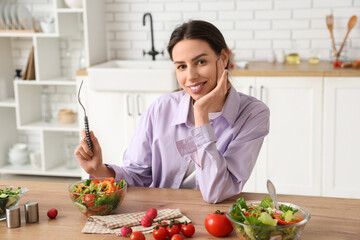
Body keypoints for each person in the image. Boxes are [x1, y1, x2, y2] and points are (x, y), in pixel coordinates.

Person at [75, 20, 270, 204]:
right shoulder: (161, 108)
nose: (191, 76)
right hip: (163, 218)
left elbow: (215, 193)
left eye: (201, 62)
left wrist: (201, 115)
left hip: (215, 219)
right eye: (181, 67)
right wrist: (100, 170)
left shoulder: (253, 114)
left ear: (223, 59)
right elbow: (137, 177)